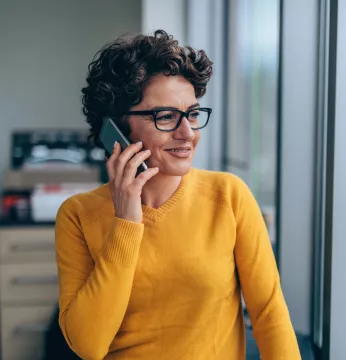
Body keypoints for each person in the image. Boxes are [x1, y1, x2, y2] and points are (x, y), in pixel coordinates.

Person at [55, 29, 300, 360]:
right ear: (116, 127)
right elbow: (88, 345)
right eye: (166, 117)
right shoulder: (78, 215)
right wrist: (126, 222)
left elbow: (270, 315)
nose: (188, 133)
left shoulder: (229, 196)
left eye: (194, 114)